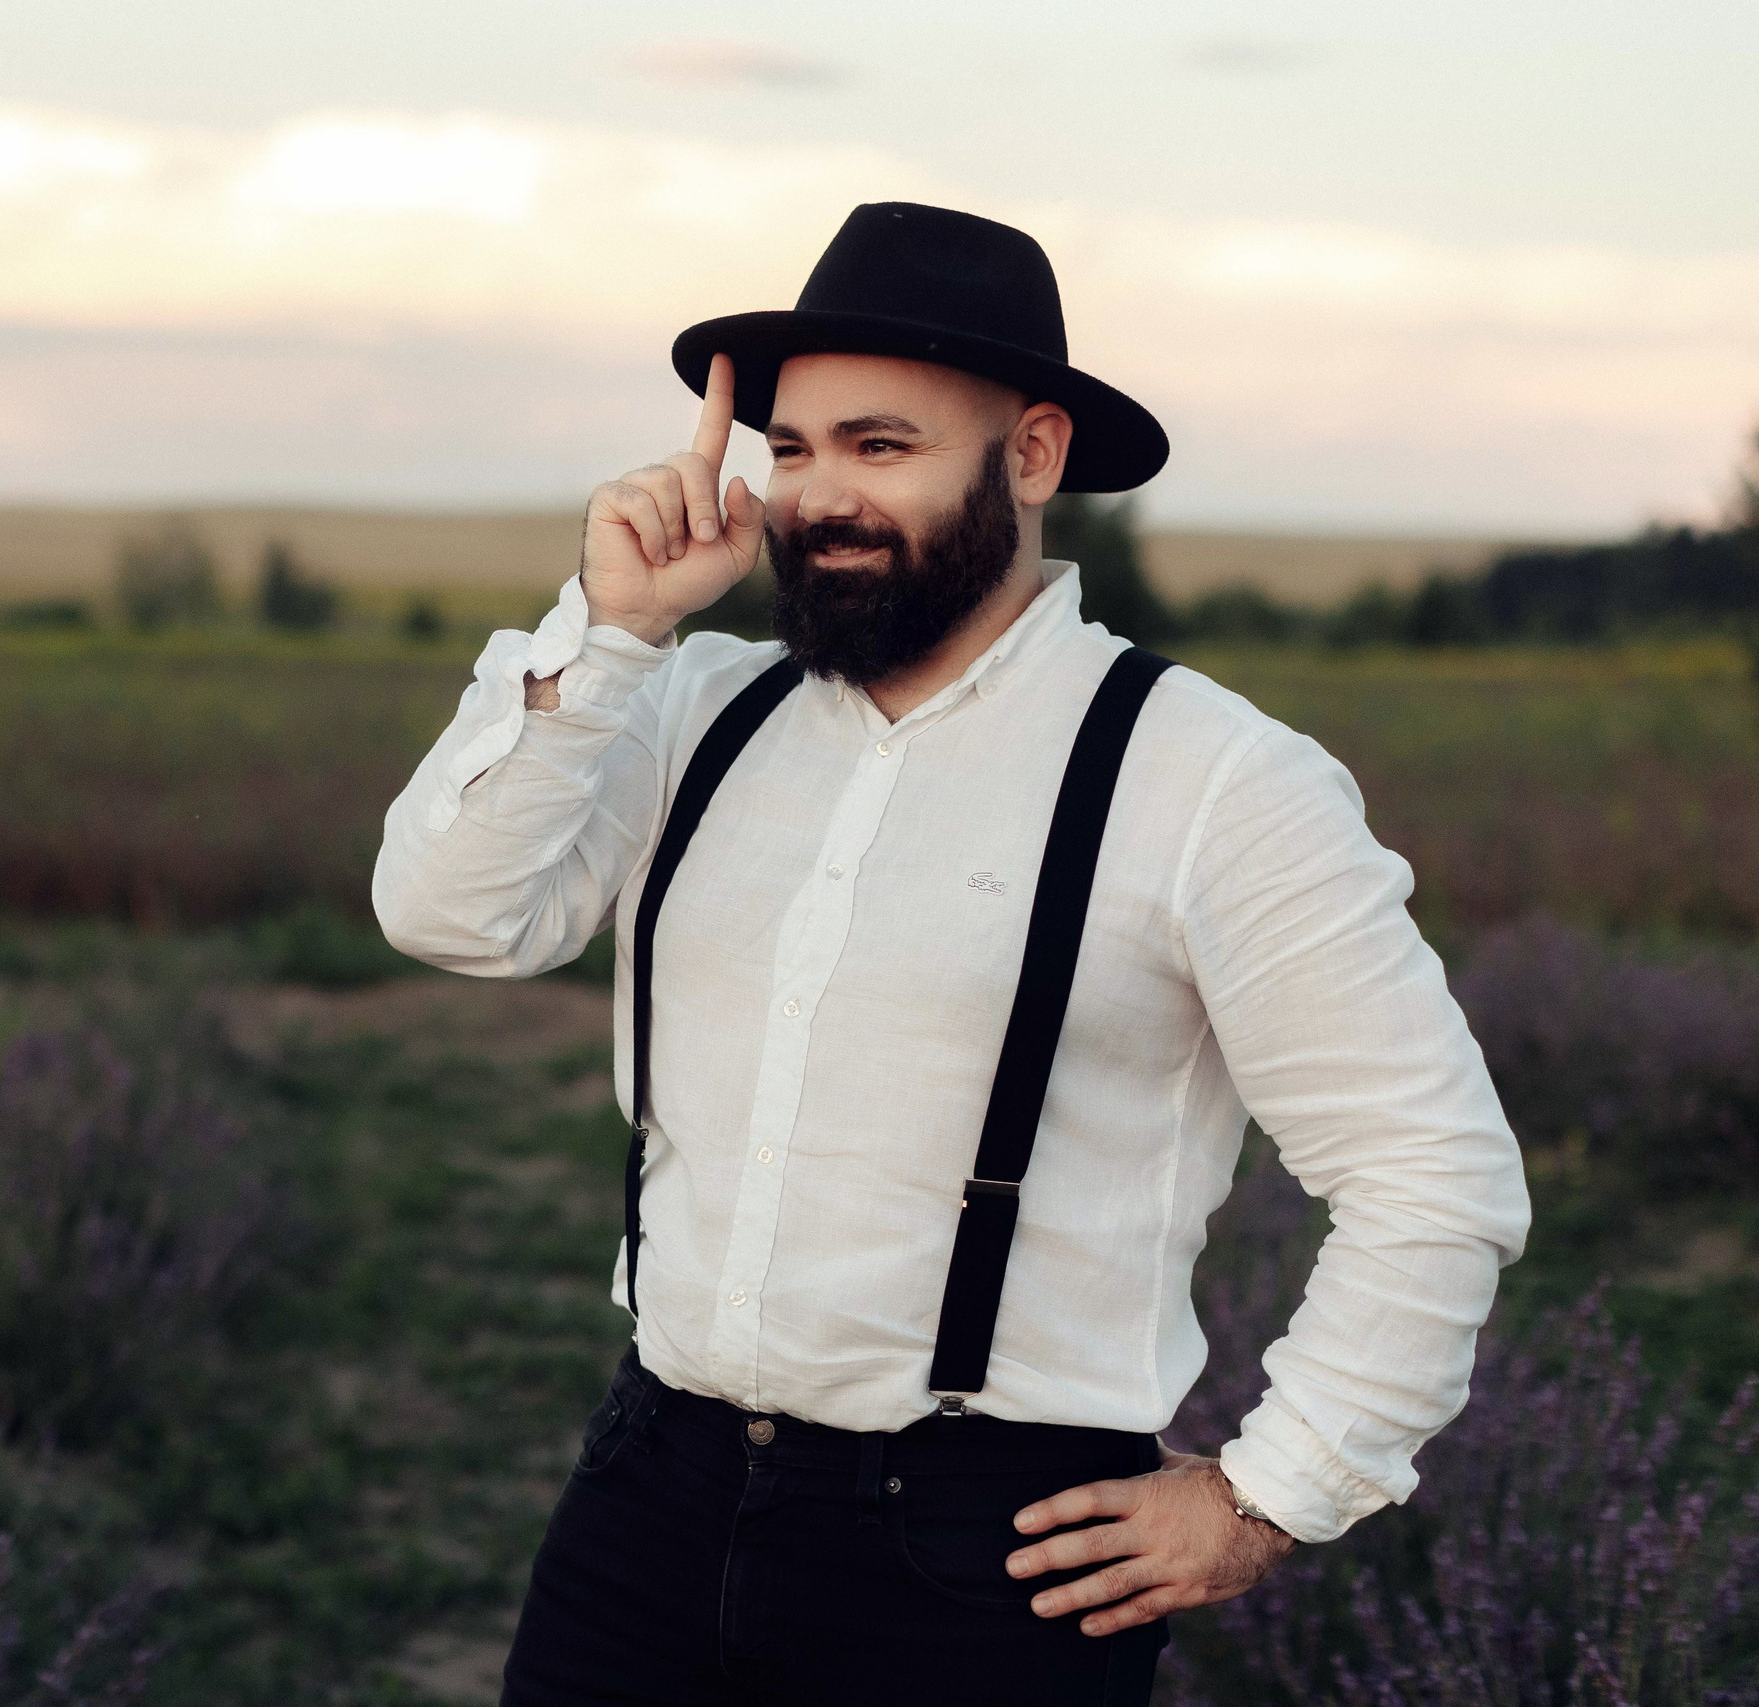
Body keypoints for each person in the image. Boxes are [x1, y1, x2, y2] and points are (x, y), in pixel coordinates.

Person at [370, 203, 1530, 1706]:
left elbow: (1432, 1176)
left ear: (1032, 457)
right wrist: (608, 630)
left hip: (985, 1559)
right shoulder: (687, 706)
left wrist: (1267, 1497)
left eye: (880, 446)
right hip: (651, 1491)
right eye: (788, 451)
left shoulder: (1213, 779)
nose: (818, 497)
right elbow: (449, 912)